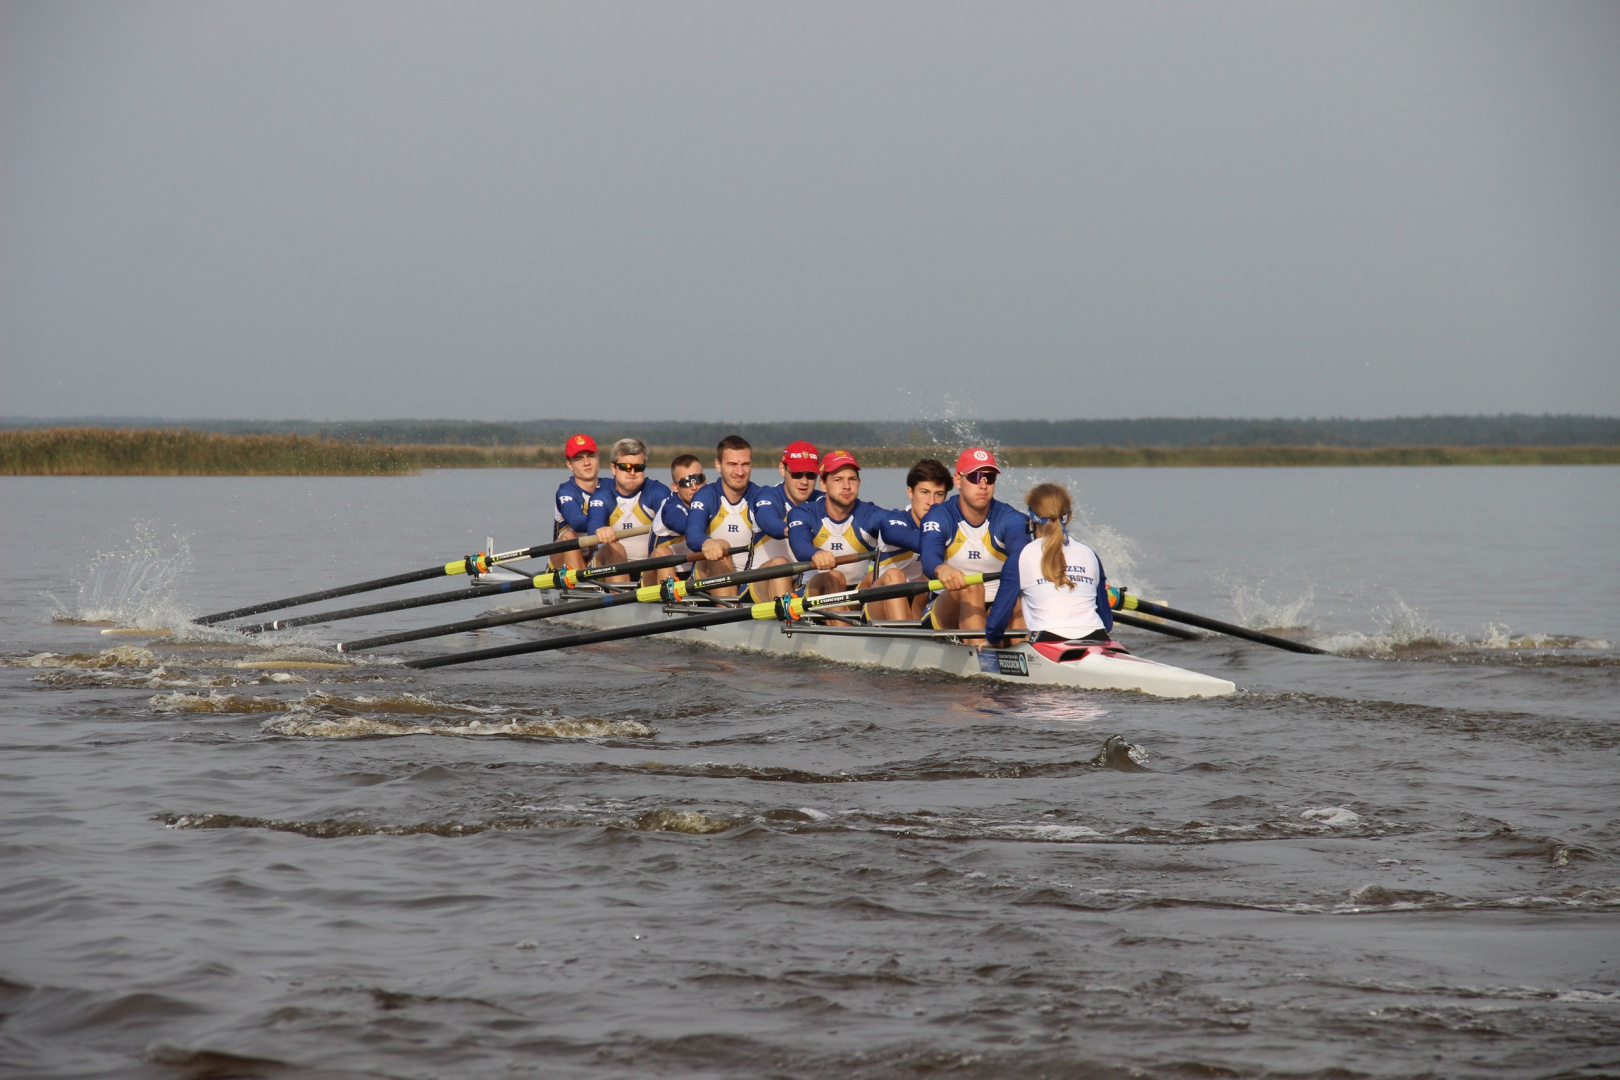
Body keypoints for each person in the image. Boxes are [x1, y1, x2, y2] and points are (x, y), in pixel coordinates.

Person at [919, 447, 1029, 645]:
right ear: (958, 480)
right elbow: (929, 555)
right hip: (945, 611)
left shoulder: (1010, 518)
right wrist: (941, 568)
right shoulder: (939, 515)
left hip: (997, 607)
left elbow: (1021, 553)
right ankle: (983, 658)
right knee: (973, 587)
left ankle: (1025, 655)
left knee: (1018, 600)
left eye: (989, 477)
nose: (983, 485)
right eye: (975, 477)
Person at [785, 450, 919, 612]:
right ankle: (846, 631)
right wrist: (816, 553)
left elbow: (894, 526)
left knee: (891, 574)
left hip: (855, 595)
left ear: (859, 482)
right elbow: (799, 543)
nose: (847, 486)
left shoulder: (869, 513)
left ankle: (903, 633)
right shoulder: (804, 513)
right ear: (823, 484)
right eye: (838, 480)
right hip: (811, 595)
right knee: (834, 576)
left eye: (852, 479)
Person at [998, 483, 1113, 647]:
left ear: (1030, 519)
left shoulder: (1020, 557)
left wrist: (993, 640)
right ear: (1070, 516)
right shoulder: (1090, 554)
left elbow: (998, 620)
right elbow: (1107, 623)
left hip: (1046, 640)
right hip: (1099, 638)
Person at [684, 434, 772, 598]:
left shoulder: (760, 495)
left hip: (748, 580)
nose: (740, 472)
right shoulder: (706, 496)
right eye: (732, 464)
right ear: (718, 465)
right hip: (708, 578)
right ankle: (726, 611)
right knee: (721, 545)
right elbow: (692, 533)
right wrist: (706, 542)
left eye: (745, 464)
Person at [867, 458, 953, 622]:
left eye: (939, 494)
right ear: (910, 493)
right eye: (924, 492)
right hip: (880, 603)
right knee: (894, 574)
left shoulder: (949, 526)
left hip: (920, 602)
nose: (932, 502)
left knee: (933, 575)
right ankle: (906, 636)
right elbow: (898, 535)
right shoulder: (893, 521)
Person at [745, 439, 826, 601]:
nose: (804, 481)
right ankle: (788, 622)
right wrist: (793, 531)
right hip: (758, 584)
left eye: (810, 475)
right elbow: (767, 520)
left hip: (801, 585)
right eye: (797, 474)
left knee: (834, 577)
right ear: (782, 469)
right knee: (781, 565)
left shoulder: (823, 501)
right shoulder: (768, 495)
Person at [585, 438, 672, 585]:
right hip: (606, 568)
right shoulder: (603, 494)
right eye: (625, 467)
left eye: (638, 468)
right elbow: (594, 522)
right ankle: (622, 599)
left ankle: (668, 604)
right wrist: (600, 530)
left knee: (663, 552)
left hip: (647, 570)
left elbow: (671, 516)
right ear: (613, 468)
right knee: (613, 547)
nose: (632, 472)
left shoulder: (656, 491)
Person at [649, 454, 705, 583]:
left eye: (698, 479)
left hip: (694, 573)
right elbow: (690, 528)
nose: (694, 487)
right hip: (658, 575)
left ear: (705, 481)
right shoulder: (671, 509)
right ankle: (672, 602)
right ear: (675, 487)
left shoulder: (710, 500)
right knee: (662, 552)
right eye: (686, 482)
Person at [551, 433, 603, 571]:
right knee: (569, 536)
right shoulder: (566, 492)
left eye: (590, 456)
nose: (586, 463)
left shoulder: (610, 487)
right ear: (570, 464)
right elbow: (577, 522)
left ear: (598, 458)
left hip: (595, 558)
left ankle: (622, 590)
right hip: (562, 563)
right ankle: (580, 586)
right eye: (579, 459)